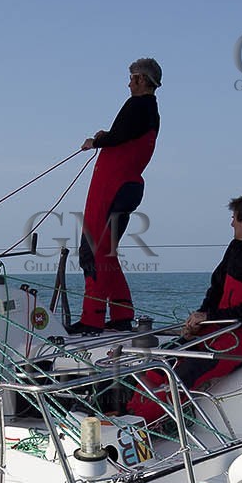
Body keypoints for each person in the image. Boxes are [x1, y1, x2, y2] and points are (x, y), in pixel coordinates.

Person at [127, 192, 242, 423]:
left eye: (234, 217)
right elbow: (216, 289)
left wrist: (209, 317)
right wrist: (199, 319)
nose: (231, 222)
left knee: (189, 369)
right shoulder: (236, 247)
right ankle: (130, 413)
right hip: (216, 327)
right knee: (162, 359)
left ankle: (145, 421)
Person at [68, 58, 162, 335]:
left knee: (93, 251)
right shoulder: (149, 110)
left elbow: (120, 135)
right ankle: (121, 314)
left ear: (143, 80)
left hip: (113, 188)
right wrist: (107, 136)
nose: (129, 82)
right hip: (125, 187)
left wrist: (96, 141)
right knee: (105, 253)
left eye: (132, 78)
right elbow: (124, 135)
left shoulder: (138, 105)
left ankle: (92, 319)